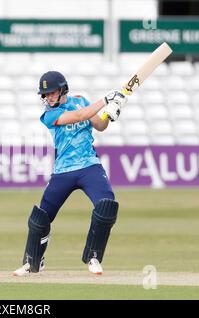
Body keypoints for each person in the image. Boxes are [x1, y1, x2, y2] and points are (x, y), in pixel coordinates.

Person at [13, 71, 127, 276]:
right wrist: (105, 99)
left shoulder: (80, 100)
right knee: (41, 217)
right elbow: (79, 116)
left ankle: (93, 257)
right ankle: (32, 261)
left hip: (89, 166)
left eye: (51, 93)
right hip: (63, 170)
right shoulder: (49, 115)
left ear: (63, 89)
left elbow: (99, 125)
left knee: (106, 206)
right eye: (45, 94)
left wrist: (110, 113)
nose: (48, 97)